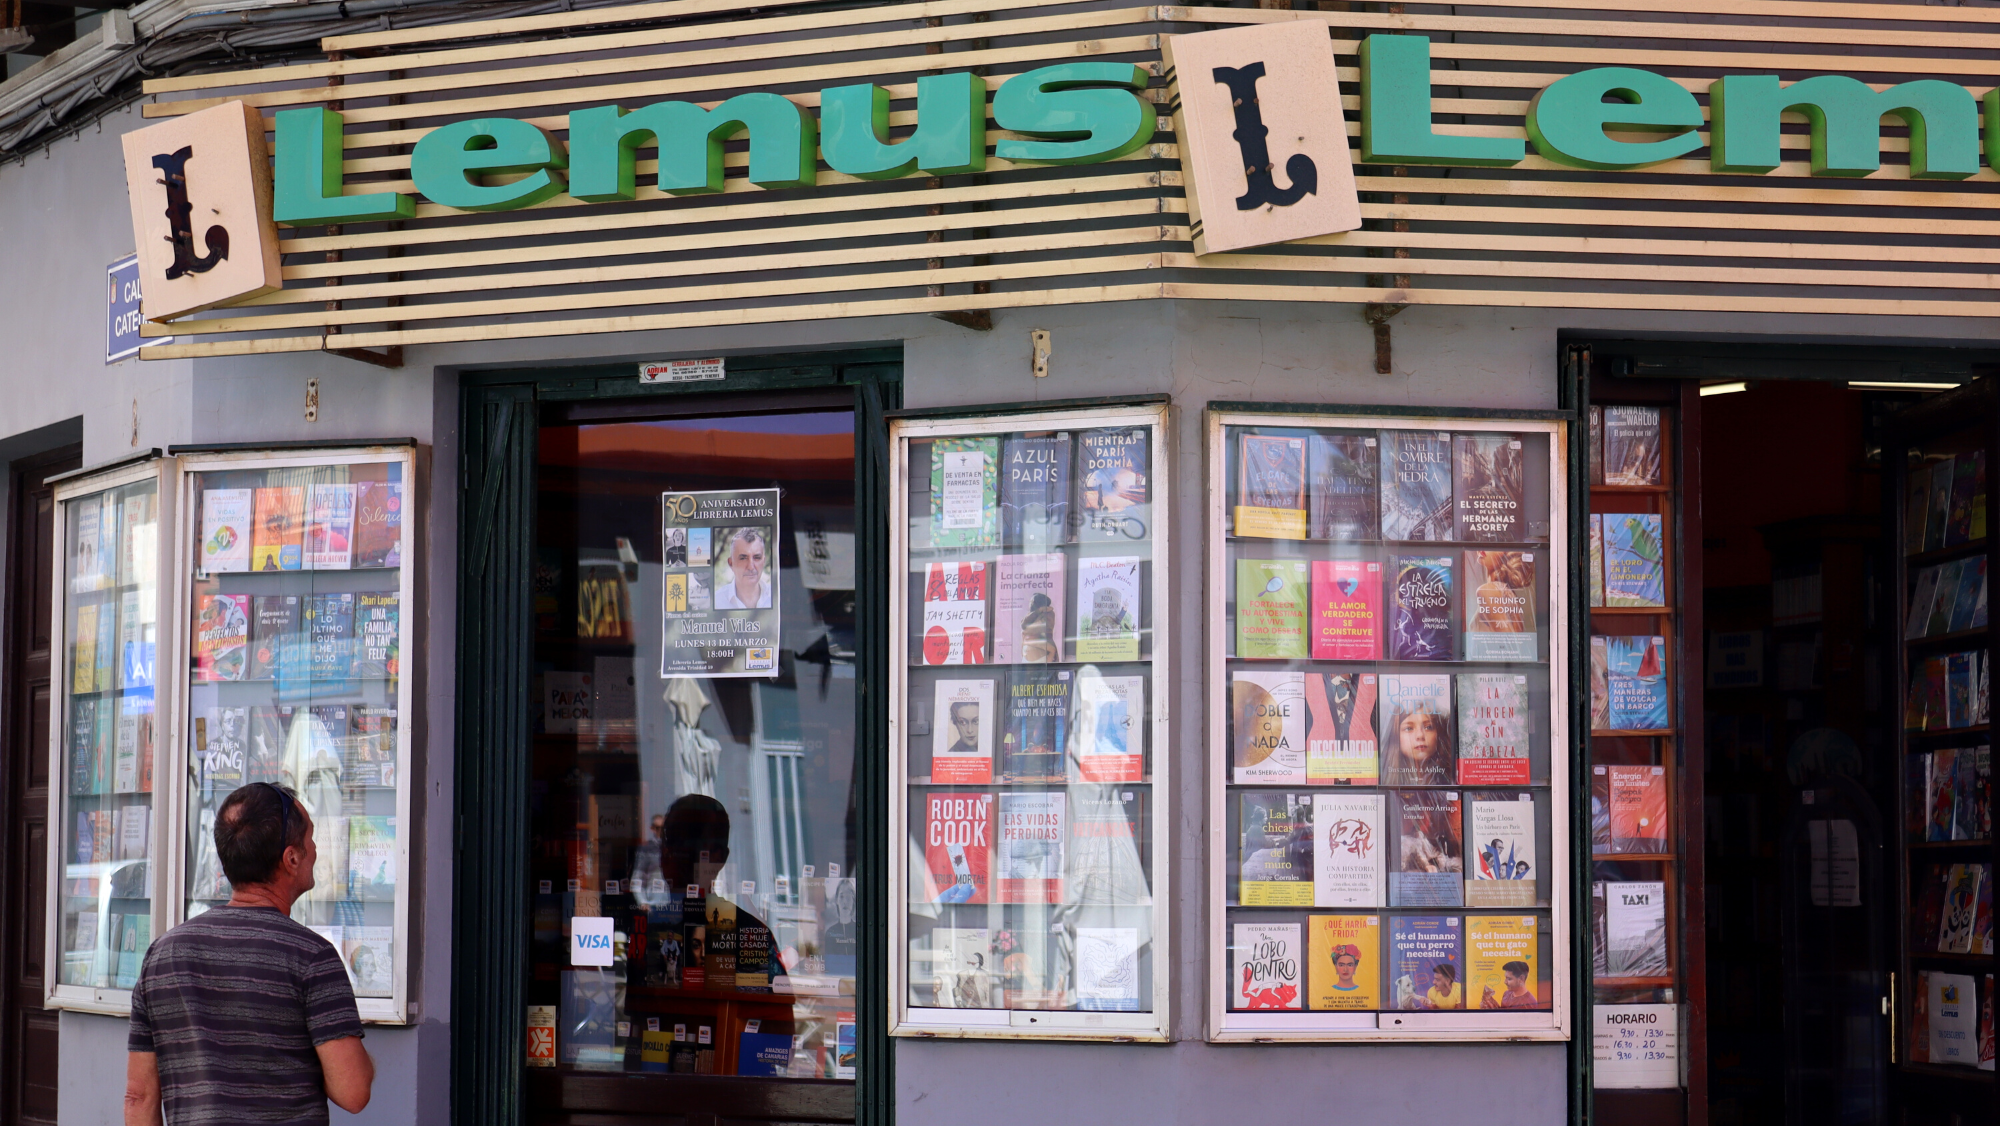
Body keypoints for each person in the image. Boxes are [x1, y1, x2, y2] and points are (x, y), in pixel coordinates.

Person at [125, 782, 372, 1126]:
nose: (315, 849)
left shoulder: (161, 956)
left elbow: (139, 1098)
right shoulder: (312, 957)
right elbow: (354, 1091)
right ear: (292, 858)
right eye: (310, 838)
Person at [713, 527, 772, 609]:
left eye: (757, 557)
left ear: (763, 561)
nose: (751, 567)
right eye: (743, 558)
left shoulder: (776, 596)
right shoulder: (716, 602)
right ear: (731, 563)